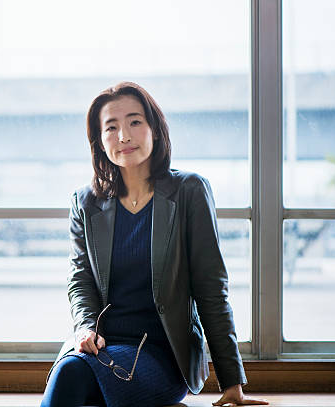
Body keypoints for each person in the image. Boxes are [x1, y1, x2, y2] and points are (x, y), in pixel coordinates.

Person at [40, 82, 269, 407]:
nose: (124, 136)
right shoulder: (85, 202)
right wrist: (85, 328)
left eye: (134, 121)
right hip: (98, 348)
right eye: (111, 127)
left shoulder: (189, 191)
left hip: (163, 354)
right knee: (74, 378)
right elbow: (81, 281)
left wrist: (231, 381)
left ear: (155, 130)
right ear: (98, 140)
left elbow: (211, 289)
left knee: (72, 379)